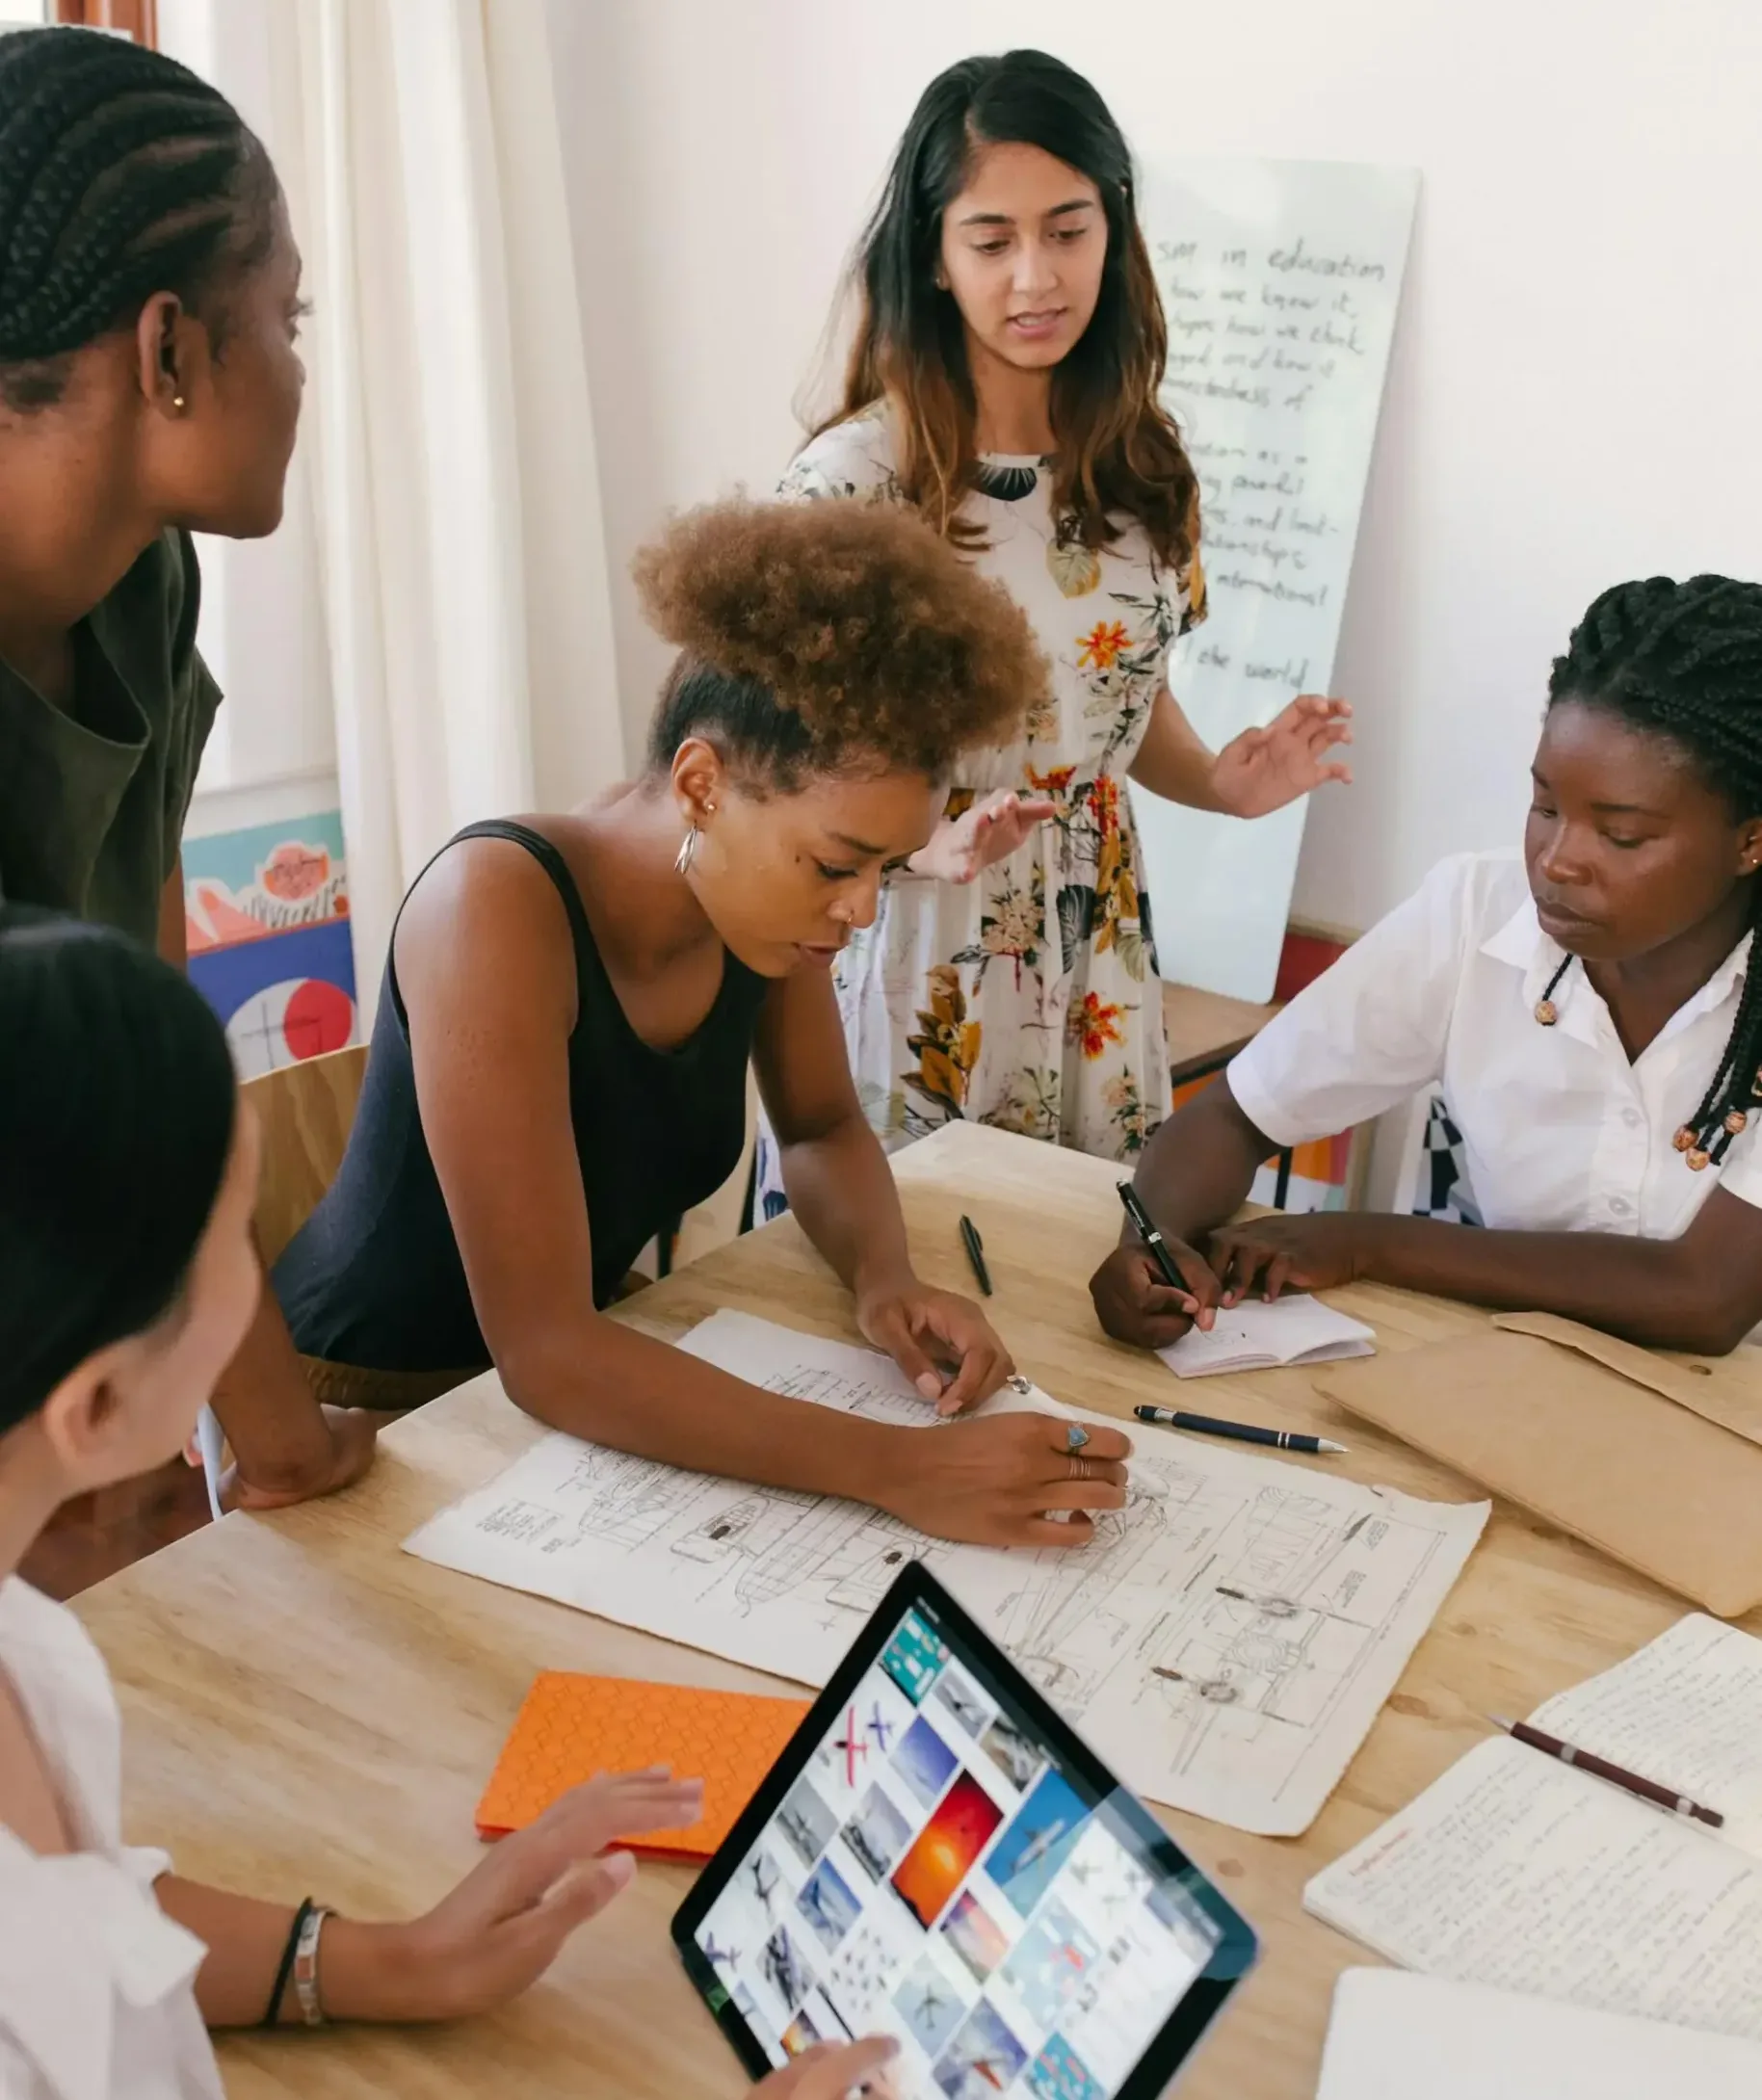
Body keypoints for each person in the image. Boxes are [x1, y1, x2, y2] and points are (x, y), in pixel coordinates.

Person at [0, 908, 899, 2100]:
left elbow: (79, 1920)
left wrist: (375, 1958)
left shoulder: (31, 1646)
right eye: (233, 1237)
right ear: (104, 1400)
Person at [273, 497, 1134, 1545]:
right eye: (834, 863)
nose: (861, 910)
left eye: (885, 867)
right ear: (701, 784)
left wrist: (883, 1278)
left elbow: (818, 1126)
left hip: (586, 1360)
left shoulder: (762, 913)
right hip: (370, 1405)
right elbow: (543, 1350)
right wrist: (896, 1463)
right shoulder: (492, 908)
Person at [754, 47, 1351, 1214]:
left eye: (1067, 230)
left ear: (1112, 232)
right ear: (931, 255)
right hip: (917, 934)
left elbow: (1115, 707)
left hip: (1095, 948)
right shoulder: (848, 490)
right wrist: (915, 849)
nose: (1035, 276)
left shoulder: (1141, 470)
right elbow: (765, 775)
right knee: (904, 1297)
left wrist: (1221, 783)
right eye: (991, 240)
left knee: (1075, 1276)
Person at [0, 24, 376, 1509]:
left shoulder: (148, 583)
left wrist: (270, 1440)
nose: (297, 369)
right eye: (286, 321)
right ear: (168, 351)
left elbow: (157, 1055)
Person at [1090, 575, 1762, 1358]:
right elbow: (1235, 1115)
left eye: (1620, 836)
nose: (1557, 860)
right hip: (1517, 1376)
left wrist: (1366, 1243)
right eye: (1545, 806)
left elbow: (1706, 1297)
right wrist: (1154, 1241)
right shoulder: (1477, 912)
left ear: (1749, 840)